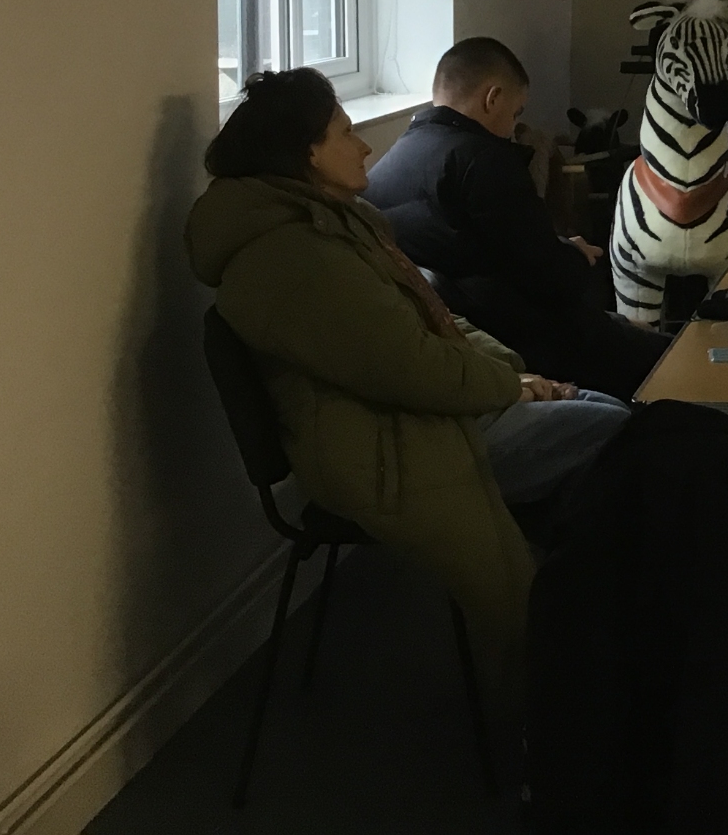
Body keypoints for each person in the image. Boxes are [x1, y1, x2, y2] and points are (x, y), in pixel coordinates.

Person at [185, 67, 629, 703]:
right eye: (346, 132)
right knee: (619, 433)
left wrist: (517, 375)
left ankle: (590, 649)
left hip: (423, 413)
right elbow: (412, 366)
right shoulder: (289, 257)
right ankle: (565, 691)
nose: (364, 145)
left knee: (607, 419)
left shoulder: (339, 222)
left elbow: (437, 322)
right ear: (308, 153)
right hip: (386, 447)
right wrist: (513, 387)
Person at [364, 37, 667, 403]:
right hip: (528, 343)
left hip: (466, 338)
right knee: (675, 359)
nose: (513, 127)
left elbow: (488, 249)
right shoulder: (483, 160)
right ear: (493, 98)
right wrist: (575, 256)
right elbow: (552, 280)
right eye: (516, 113)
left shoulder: (387, 166)